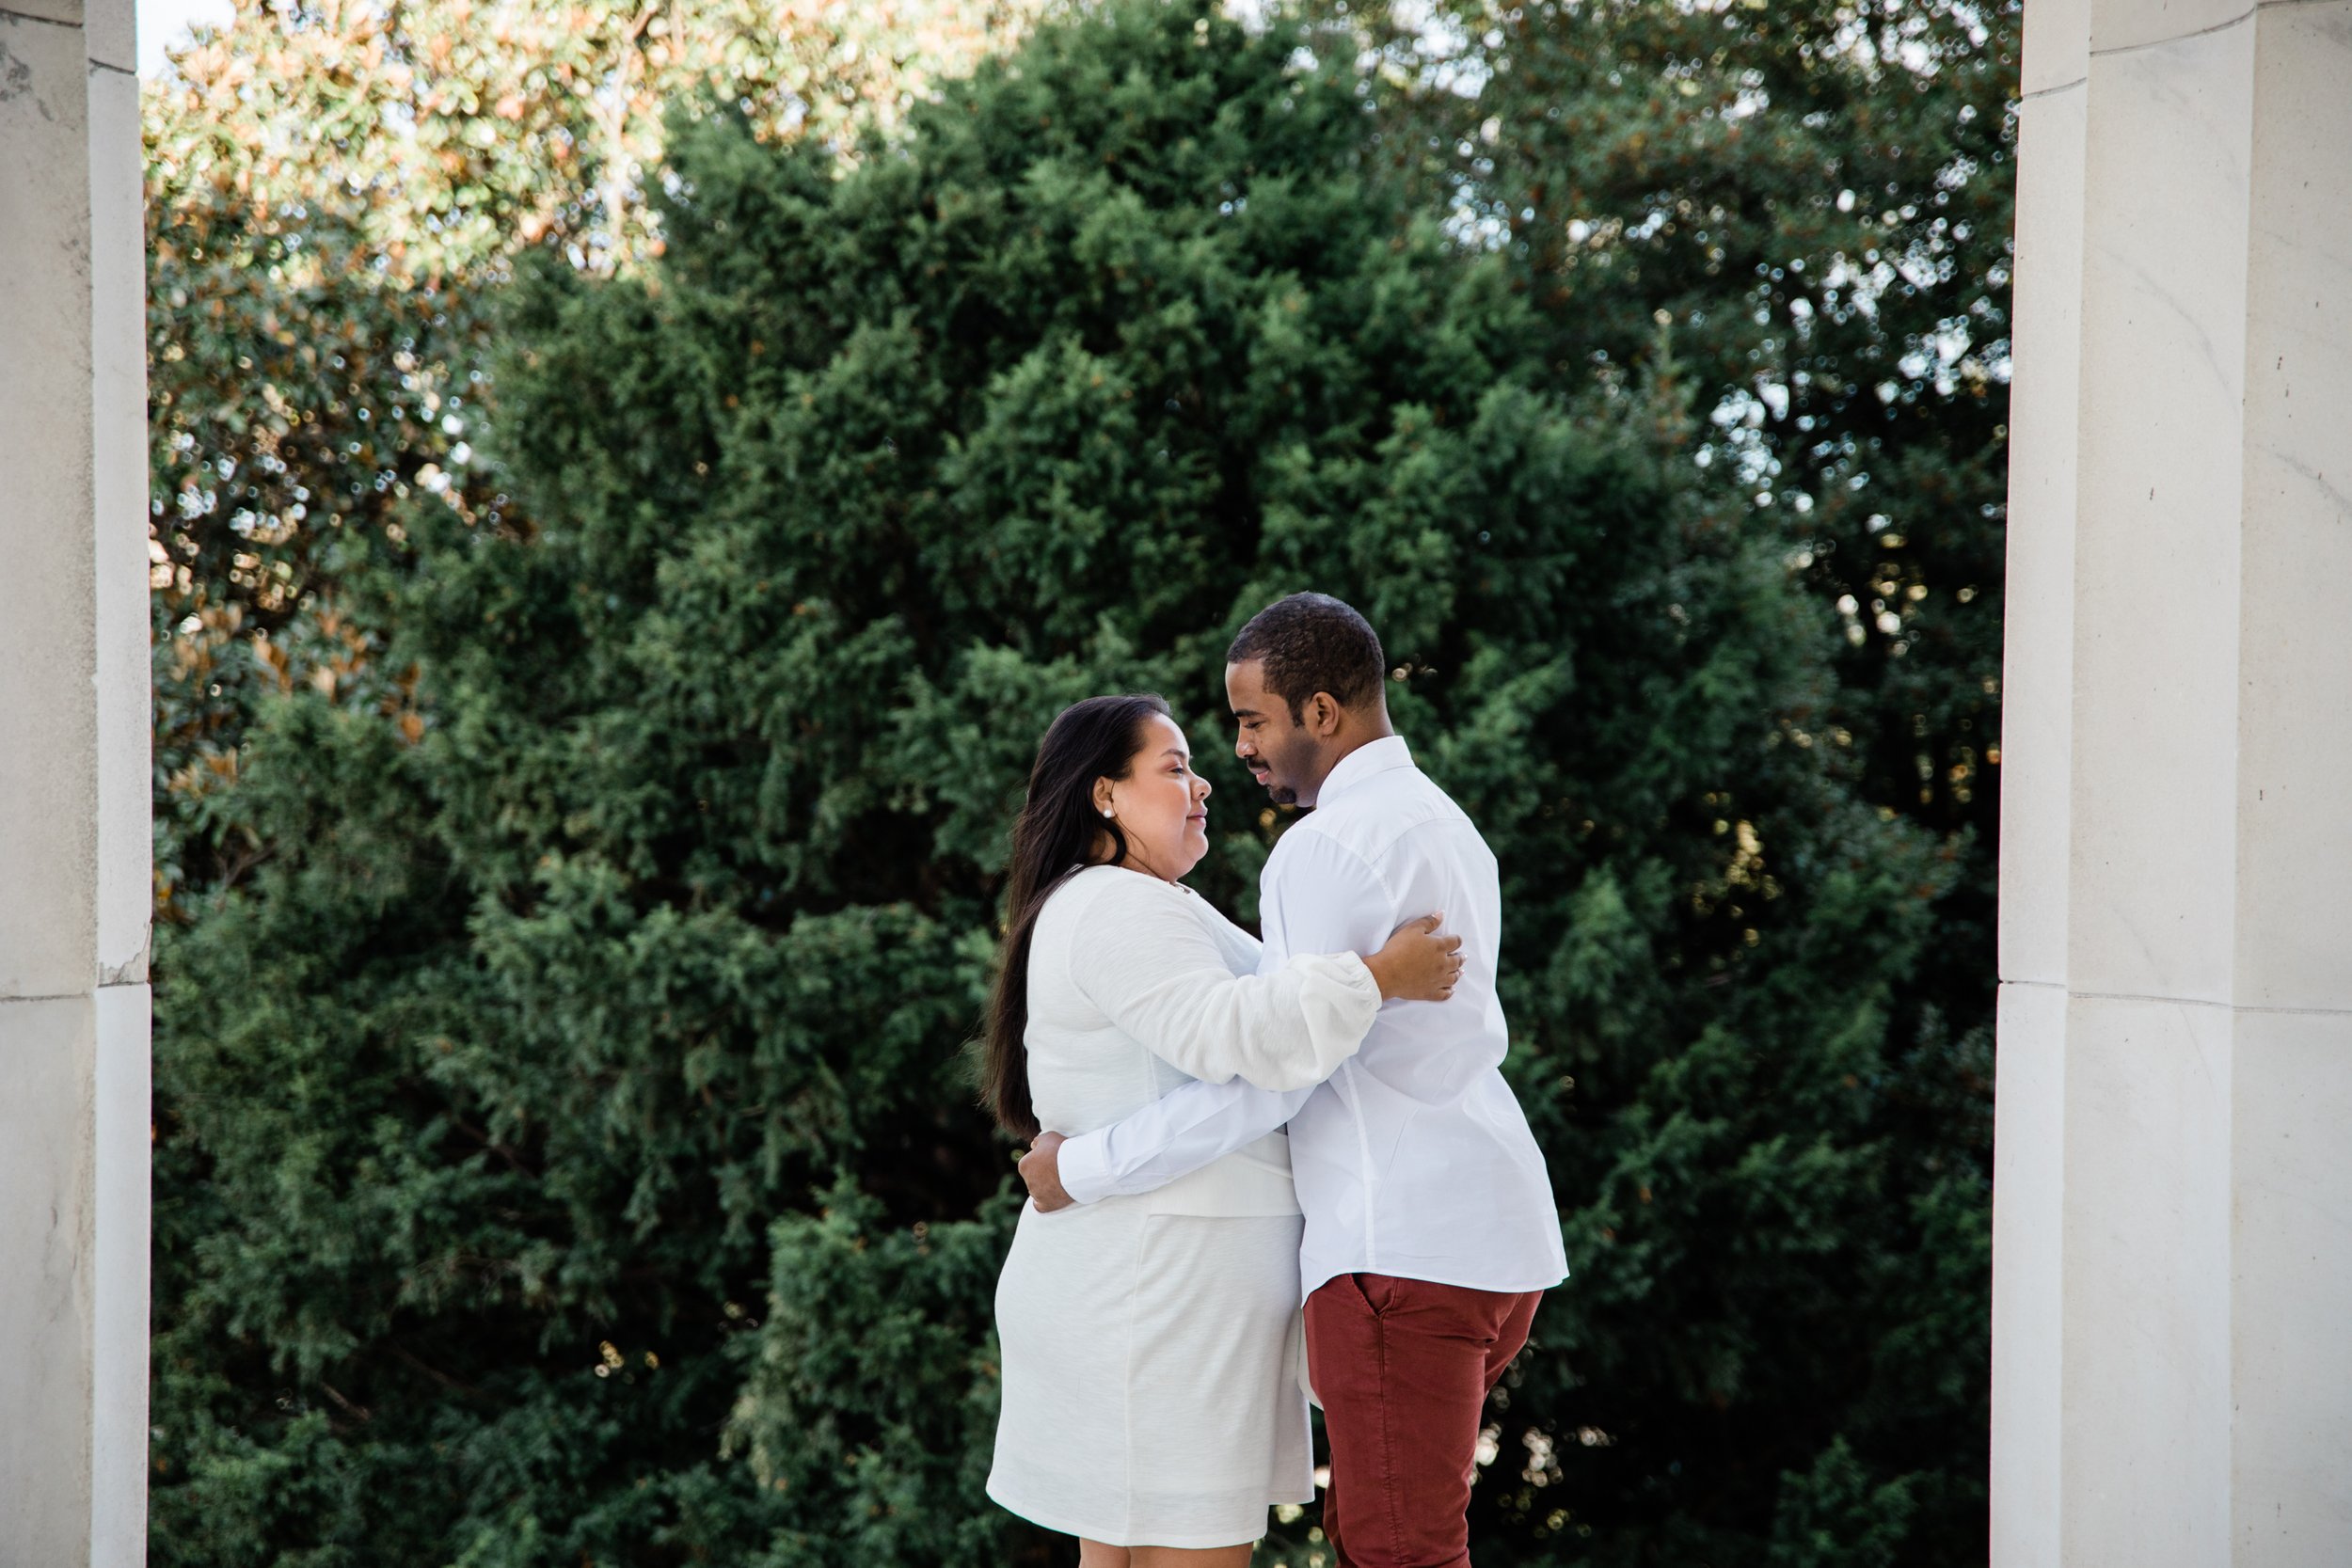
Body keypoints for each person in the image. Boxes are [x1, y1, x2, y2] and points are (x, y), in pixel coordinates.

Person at [1021, 594, 1569, 1568]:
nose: (1238, 753)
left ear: (1321, 713)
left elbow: (1272, 1070)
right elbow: (1266, 997)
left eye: (1249, 721)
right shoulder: (1446, 823)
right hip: (1496, 1234)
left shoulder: (1317, 848)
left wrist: (1084, 1165)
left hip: (1395, 1245)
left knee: (1395, 1550)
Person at [983, 691, 1467, 1567]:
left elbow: (1263, 1035)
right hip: (1162, 1298)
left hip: (1160, 1288)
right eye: (1172, 768)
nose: (1202, 782)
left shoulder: (1151, 901)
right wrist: (1377, 977)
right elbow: (1245, 1039)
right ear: (1104, 795)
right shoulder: (1118, 908)